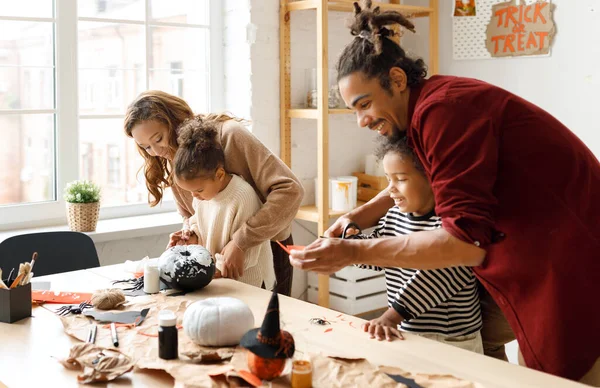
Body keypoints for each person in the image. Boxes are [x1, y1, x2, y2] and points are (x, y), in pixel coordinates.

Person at [289, 1, 600, 384]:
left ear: (398, 80)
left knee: (562, 374)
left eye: (365, 105)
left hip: (567, 248)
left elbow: (462, 243)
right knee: (492, 353)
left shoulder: (444, 111)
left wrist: (351, 251)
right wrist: (356, 217)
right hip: (528, 245)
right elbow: (410, 181)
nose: (362, 121)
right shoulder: (423, 112)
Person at [124, 91, 304, 296]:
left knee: (271, 325)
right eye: (146, 147)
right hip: (219, 263)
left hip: (266, 252)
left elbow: (290, 190)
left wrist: (241, 241)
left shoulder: (230, 136)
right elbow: (190, 211)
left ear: (174, 119)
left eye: (158, 138)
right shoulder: (171, 154)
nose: (156, 151)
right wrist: (190, 233)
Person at [351, 138, 483, 353]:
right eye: (388, 180)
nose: (390, 190)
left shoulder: (450, 225)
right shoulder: (394, 216)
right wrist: (345, 246)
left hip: (453, 338)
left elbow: (438, 276)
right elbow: (378, 253)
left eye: (400, 179)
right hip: (410, 327)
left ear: (433, 179)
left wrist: (391, 316)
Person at [172, 116, 275, 289]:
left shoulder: (242, 196)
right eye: (190, 191)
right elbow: (201, 222)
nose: (194, 196)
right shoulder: (203, 196)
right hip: (221, 279)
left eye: (197, 190)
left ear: (219, 175)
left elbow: (248, 253)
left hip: (250, 282)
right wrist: (193, 235)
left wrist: (212, 270)